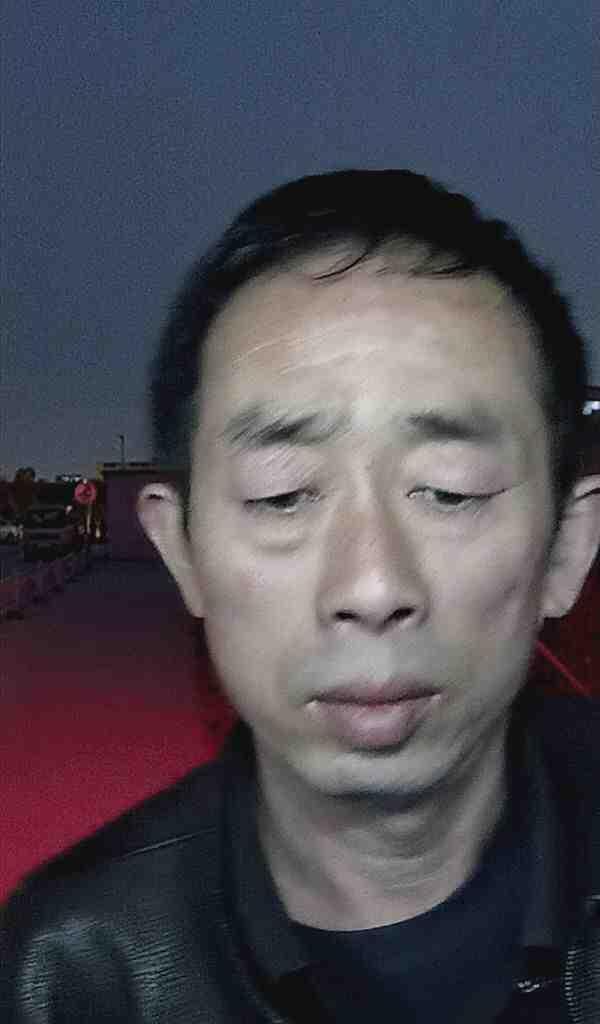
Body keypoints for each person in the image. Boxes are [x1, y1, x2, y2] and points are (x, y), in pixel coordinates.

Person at [2, 170, 599, 1023]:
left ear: (567, 546)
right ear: (183, 553)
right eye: (283, 495)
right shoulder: (70, 977)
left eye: (451, 489)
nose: (373, 585)